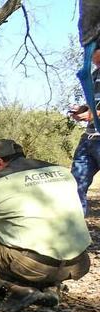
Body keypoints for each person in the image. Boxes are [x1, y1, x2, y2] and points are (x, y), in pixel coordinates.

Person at [0, 139, 91, 312]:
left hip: (32, 266)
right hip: (78, 263)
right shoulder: (62, 172)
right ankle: (52, 287)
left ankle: (15, 290)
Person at [69, 46, 100, 216]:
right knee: (74, 187)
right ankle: (75, 234)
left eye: (93, 51)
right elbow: (93, 105)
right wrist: (82, 110)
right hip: (88, 139)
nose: (89, 56)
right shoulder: (94, 75)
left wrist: (93, 115)